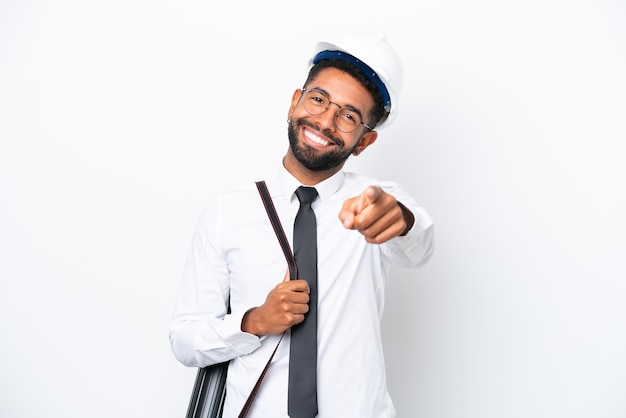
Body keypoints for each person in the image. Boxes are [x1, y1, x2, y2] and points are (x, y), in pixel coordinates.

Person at [169, 33, 435, 418]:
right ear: (296, 102)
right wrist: (254, 321)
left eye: (348, 116)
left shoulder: (376, 201)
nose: (326, 121)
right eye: (318, 99)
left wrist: (398, 220)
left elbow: (420, 244)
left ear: (364, 141)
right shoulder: (227, 212)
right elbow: (184, 339)